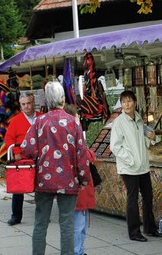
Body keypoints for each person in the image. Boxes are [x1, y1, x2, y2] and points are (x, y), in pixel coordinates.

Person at [20, 81, 91, 255]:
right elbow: (82, 155)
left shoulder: (39, 122)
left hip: (43, 181)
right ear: (62, 99)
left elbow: (27, 149)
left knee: (40, 223)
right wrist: (84, 179)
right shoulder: (73, 123)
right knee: (66, 224)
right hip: (68, 181)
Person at [110, 90, 162, 242]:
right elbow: (115, 146)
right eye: (123, 102)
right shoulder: (119, 122)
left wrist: (151, 137)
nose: (126, 104)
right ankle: (134, 232)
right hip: (129, 167)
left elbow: (144, 138)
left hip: (143, 166)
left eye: (129, 101)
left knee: (148, 197)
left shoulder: (138, 119)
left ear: (134, 103)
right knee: (132, 199)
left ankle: (150, 228)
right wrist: (130, 159)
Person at [0, 92, 42, 226]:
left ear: (33, 102)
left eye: (29, 103)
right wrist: (16, 152)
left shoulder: (42, 117)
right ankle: (16, 216)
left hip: (40, 156)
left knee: (41, 188)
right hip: (22, 158)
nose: (27, 106)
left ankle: (42, 215)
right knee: (19, 188)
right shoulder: (16, 120)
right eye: (23, 104)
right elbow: (9, 138)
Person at [64, 104, 96, 255]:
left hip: (72, 187)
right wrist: (90, 154)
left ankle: (79, 250)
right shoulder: (73, 137)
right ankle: (77, 251)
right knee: (79, 224)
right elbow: (85, 156)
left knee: (78, 223)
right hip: (79, 187)